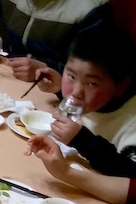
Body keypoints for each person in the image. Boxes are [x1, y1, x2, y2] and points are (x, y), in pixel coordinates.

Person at [29, 26, 136, 176]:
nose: (76, 92)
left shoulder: (131, 123)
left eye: (92, 83)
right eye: (71, 76)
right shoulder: (96, 102)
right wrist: (58, 88)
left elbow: (130, 177)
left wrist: (82, 141)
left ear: (120, 87)